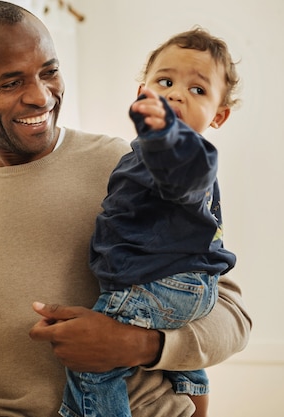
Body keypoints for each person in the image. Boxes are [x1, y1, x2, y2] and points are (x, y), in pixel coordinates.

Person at [0, 2, 251, 416]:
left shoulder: (125, 165)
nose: (40, 96)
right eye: (11, 82)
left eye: (49, 72)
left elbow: (232, 315)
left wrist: (136, 345)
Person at [60, 28, 239, 417]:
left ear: (218, 115)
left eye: (197, 90)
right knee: (175, 348)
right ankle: (194, 392)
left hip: (158, 283)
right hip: (191, 286)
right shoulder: (146, 153)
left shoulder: (187, 155)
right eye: (166, 81)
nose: (176, 94)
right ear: (142, 92)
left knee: (92, 364)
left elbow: (178, 175)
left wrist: (163, 134)